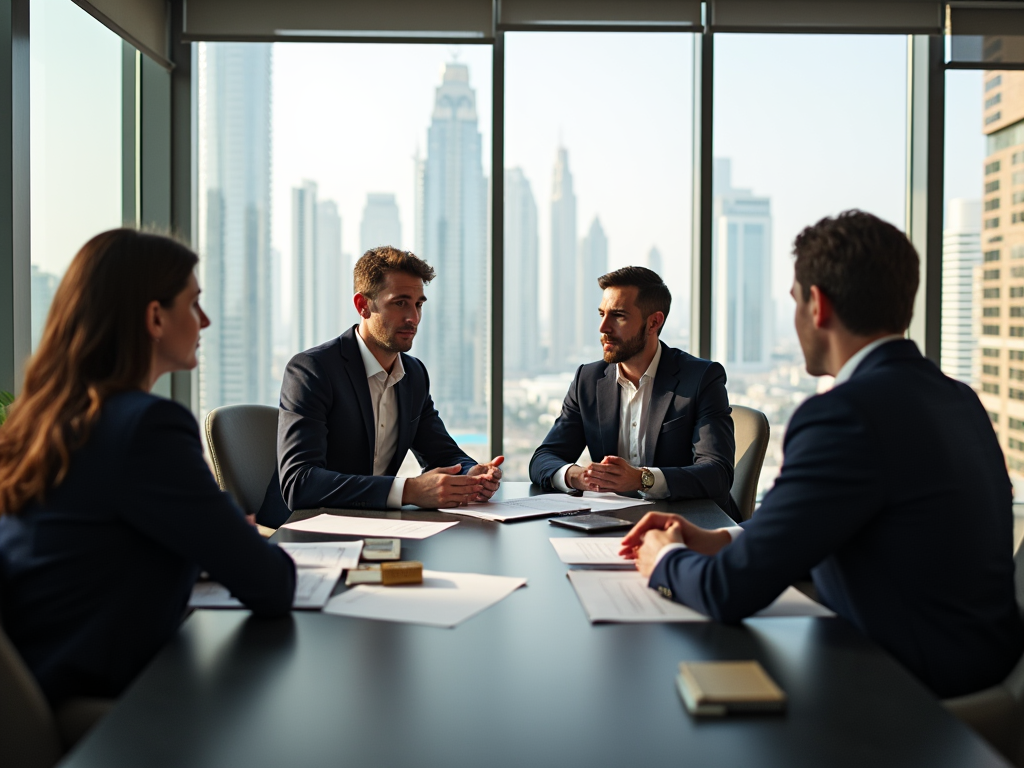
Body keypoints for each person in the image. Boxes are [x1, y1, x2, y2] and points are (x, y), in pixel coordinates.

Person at [619, 211, 1024, 699]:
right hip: (980, 677)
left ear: (818, 305)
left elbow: (729, 593)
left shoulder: (845, 414)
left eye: (793, 302)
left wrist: (666, 559)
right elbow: (853, 533)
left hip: (905, 699)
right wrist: (722, 540)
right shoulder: (958, 398)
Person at [0, 229, 295, 707]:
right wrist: (226, 536)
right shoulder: (145, 426)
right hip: (107, 708)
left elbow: (97, 543)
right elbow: (272, 585)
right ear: (155, 317)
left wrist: (203, 538)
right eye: (193, 303)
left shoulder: (42, 420)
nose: (205, 320)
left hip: (45, 681)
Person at [261, 246, 502, 527]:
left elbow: (443, 452)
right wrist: (409, 490)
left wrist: (473, 475)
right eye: (400, 303)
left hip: (375, 524)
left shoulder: (414, 374)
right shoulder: (312, 370)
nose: (413, 317)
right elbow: (299, 483)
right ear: (363, 305)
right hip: (303, 528)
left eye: (418, 304)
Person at [529, 267, 737, 519]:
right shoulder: (588, 379)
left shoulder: (701, 378)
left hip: (690, 526)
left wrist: (641, 479)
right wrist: (576, 476)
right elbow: (544, 458)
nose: (603, 327)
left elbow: (717, 474)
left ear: (654, 322)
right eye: (601, 314)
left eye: (618, 316)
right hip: (611, 525)